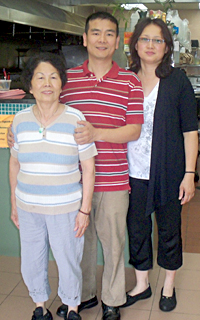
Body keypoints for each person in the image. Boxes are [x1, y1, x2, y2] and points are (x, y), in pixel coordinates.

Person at [7, 12, 144, 320]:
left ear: (117, 41)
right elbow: (47, 105)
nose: (102, 39)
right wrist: (15, 127)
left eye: (109, 34)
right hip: (69, 184)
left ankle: (112, 299)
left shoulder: (129, 81)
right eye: (95, 33)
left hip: (111, 178)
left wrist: (97, 133)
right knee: (78, 248)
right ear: (85, 39)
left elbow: (134, 130)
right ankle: (82, 296)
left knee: (112, 245)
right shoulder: (66, 78)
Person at [9, 52, 97, 320]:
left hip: (66, 208)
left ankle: (72, 307)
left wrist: (84, 210)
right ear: (30, 86)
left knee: (69, 260)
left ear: (61, 84)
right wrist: (14, 205)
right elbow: (14, 164)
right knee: (32, 261)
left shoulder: (75, 119)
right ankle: (39, 305)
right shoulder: (20, 121)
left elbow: (89, 167)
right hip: (28, 207)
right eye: (40, 77)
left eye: (53, 77)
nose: (47, 83)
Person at [120, 18, 198, 312]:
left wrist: (189, 174)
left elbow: (190, 131)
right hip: (131, 173)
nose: (150, 45)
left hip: (168, 172)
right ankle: (142, 284)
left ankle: (168, 286)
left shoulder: (177, 80)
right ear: (135, 43)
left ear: (167, 47)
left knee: (168, 231)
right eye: (145, 39)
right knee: (137, 230)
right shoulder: (125, 79)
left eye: (157, 40)